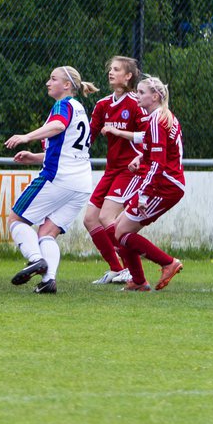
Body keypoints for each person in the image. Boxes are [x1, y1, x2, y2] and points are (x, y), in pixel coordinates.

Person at [3, 66, 98, 295]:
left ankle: (36, 259)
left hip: (59, 178)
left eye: (53, 79)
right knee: (47, 233)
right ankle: (48, 280)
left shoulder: (63, 105)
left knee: (16, 220)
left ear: (67, 85)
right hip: (82, 183)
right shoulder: (79, 109)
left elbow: (58, 125)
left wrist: (26, 137)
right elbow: (67, 150)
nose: (48, 82)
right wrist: (35, 157)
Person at [103, 76, 185, 292]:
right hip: (167, 183)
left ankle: (168, 262)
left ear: (155, 96)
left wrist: (144, 196)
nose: (137, 96)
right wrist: (141, 158)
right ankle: (139, 282)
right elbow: (157, 147)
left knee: (121, 233)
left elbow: (158, 164)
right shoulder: (162, 118)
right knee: (120, 229)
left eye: (141, 92)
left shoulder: (157, 120)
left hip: (164, 186)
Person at [82, 56, 146, 285]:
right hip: (111, 170)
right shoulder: (102, 105)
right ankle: (117, 268)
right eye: (110, 68)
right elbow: (86, 137)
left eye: (117, 69)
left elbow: (147, 138)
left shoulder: (136, 104)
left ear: (128, 76)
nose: (111, 72)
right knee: (90, 219)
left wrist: (141, 157)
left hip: (129, 171)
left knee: (106, 216)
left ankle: (132, 268)